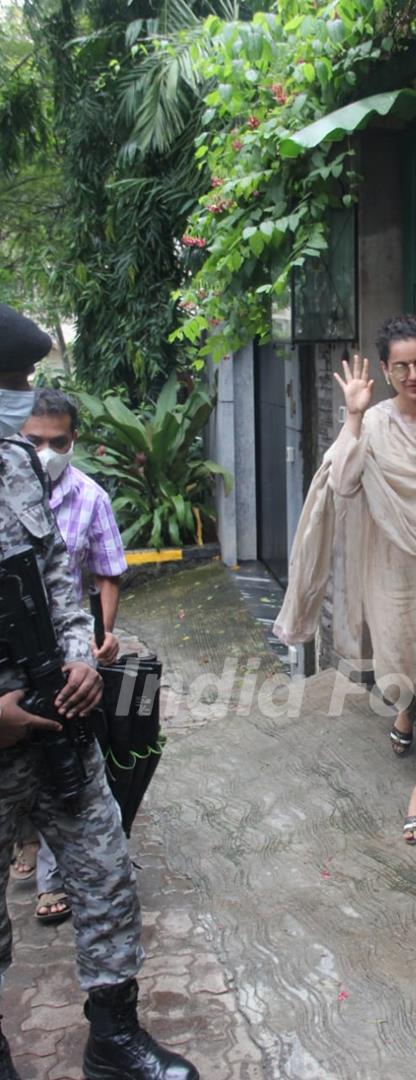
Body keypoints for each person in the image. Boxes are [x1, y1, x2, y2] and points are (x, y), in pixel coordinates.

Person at [0, 304, 198, 1080]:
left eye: (22, 382)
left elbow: (58, 575)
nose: (21, 398)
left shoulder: (18, 464)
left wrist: (81, 653)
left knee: (106, 869)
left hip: (59, 712)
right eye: (9, 383)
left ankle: (114, 1037)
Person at [274, 314, 416, 845]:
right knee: (399, 656)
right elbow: (346, 485)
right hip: (392, 561)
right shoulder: (371, 422)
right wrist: (352, 417)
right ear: (384, 369)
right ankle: (403, 709)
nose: (414, 374)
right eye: (401, 367)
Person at [10, 388, 127, 925]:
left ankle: (53, 877)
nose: (45, 453)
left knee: (69, 775)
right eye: (34, 441)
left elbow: (90, 577)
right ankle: (27, 844)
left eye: (58, 442)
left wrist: (93, 645)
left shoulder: (88, 497)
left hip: (64, 670)